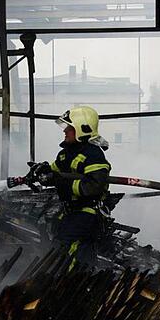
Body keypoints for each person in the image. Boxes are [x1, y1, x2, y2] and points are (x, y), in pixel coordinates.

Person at [30, 106, 111, 270]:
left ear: (82, 129)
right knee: (79, 251)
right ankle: (85, 283)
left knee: (64, 248)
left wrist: (63, 184)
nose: (65, 131)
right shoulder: (66, 154)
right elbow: (55, 173)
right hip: (72, 212)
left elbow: (94, 186)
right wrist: (43, 171)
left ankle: (65, 281)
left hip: (88, 213)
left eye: (69, 128)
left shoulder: (93, 154)